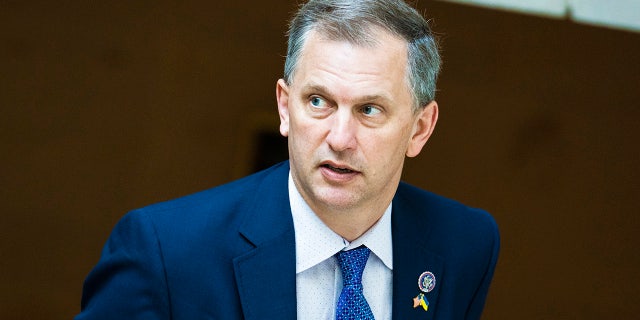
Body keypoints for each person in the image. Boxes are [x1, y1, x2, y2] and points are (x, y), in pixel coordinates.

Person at [75, 0, 499, 319]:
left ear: (420, 128)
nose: (339, 138)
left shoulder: (464, 244)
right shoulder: (165, 253)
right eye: (318, 101)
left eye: (370, 109)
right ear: (284, 106)